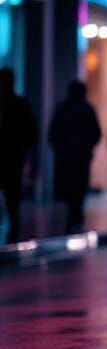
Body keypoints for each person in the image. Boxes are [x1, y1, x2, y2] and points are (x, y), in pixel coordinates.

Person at [48, 80, 101, 234]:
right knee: (79, 185)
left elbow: (53, 132)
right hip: (81, 156)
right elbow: (96, 132)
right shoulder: (87, 109)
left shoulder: (63, 109)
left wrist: (59, 147)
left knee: (70, 185)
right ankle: (75, 212)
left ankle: (73, 213)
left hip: (66, 156)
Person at [0, 68, 38, 242]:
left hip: (13, 156)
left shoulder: (19, 104)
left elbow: (30, 132)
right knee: (12, 195)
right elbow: (31, 132)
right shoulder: (20, 104)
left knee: (12, 195)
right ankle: (13, 229)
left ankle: (13, 230)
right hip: (14, 156)